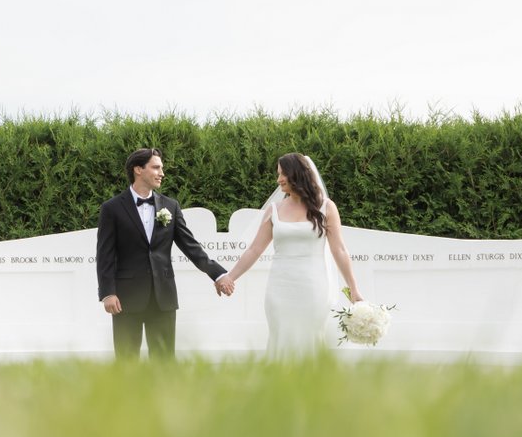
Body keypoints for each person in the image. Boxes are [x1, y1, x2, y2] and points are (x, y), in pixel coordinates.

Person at [218, 153, 363, 358]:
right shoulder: (274, 209)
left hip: (313, 288)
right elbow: (254, 249)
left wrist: (354, 290)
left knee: (310, 339)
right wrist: (230, 277)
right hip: (280, 288)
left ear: (298, 174)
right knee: (280, 338)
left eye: (283, 174)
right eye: (278, 174)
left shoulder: (326, 207)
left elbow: (339, 250)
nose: (279, 180)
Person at [96, 148, 233, 359]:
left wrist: (218, 274)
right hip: (125, 298)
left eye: (162, 168)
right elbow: (105, 254)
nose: (162, 173)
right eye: (156, 167)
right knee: (125, 361)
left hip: (163, 297)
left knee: (164, 362)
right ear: (138, 169)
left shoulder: (171, 206)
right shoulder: (112, 208)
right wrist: (108, 292)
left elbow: (191, 246)